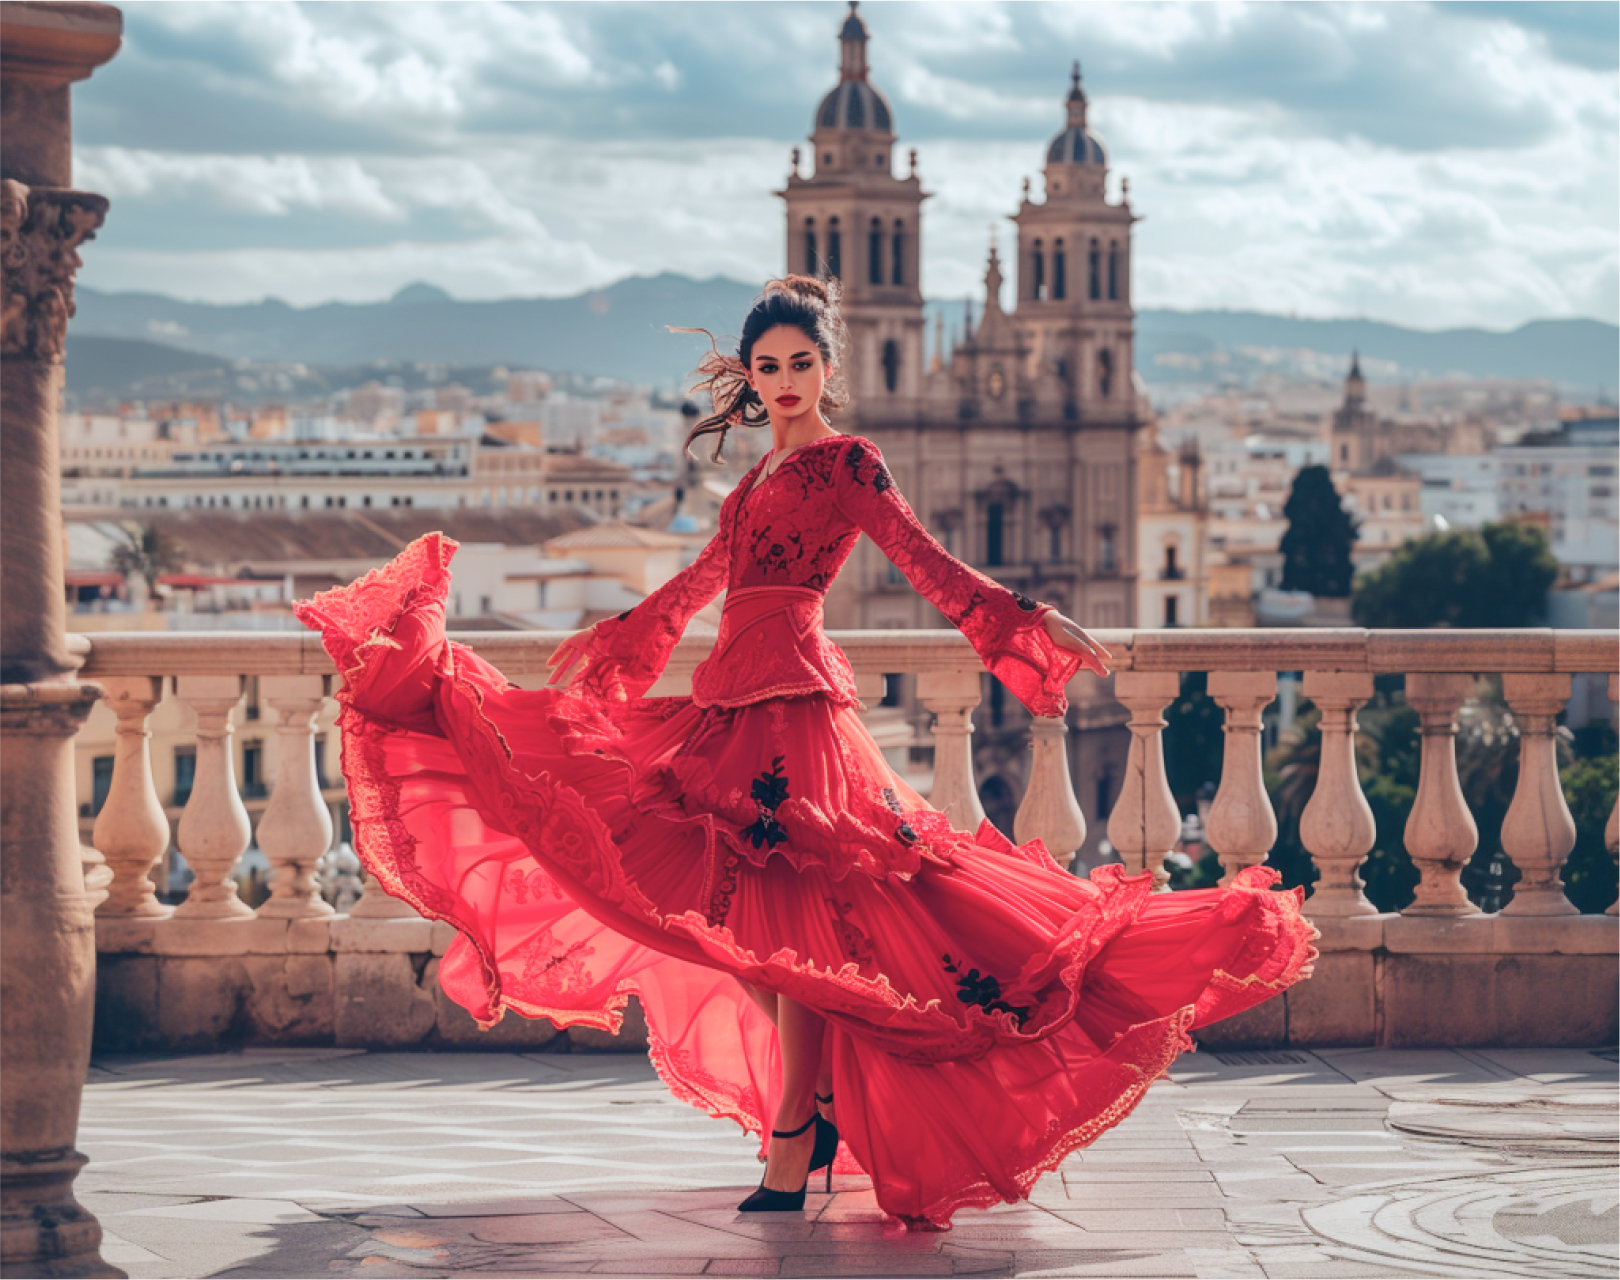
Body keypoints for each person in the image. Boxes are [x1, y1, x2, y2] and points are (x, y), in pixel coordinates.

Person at [294, 275, 1316, 1229]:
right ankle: (813, 1106)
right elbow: (707, 574)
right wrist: (620, 637)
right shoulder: (767, 467)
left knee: (786, 928)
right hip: (728, 703)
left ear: (830, 367)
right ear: (751, 375)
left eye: (799, 363)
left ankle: (797, 1135)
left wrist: (1026, 620)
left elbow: (923, 558)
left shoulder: (847, 461)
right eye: (766, 367)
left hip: (794, 715)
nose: (783, 381)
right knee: (730, 918)